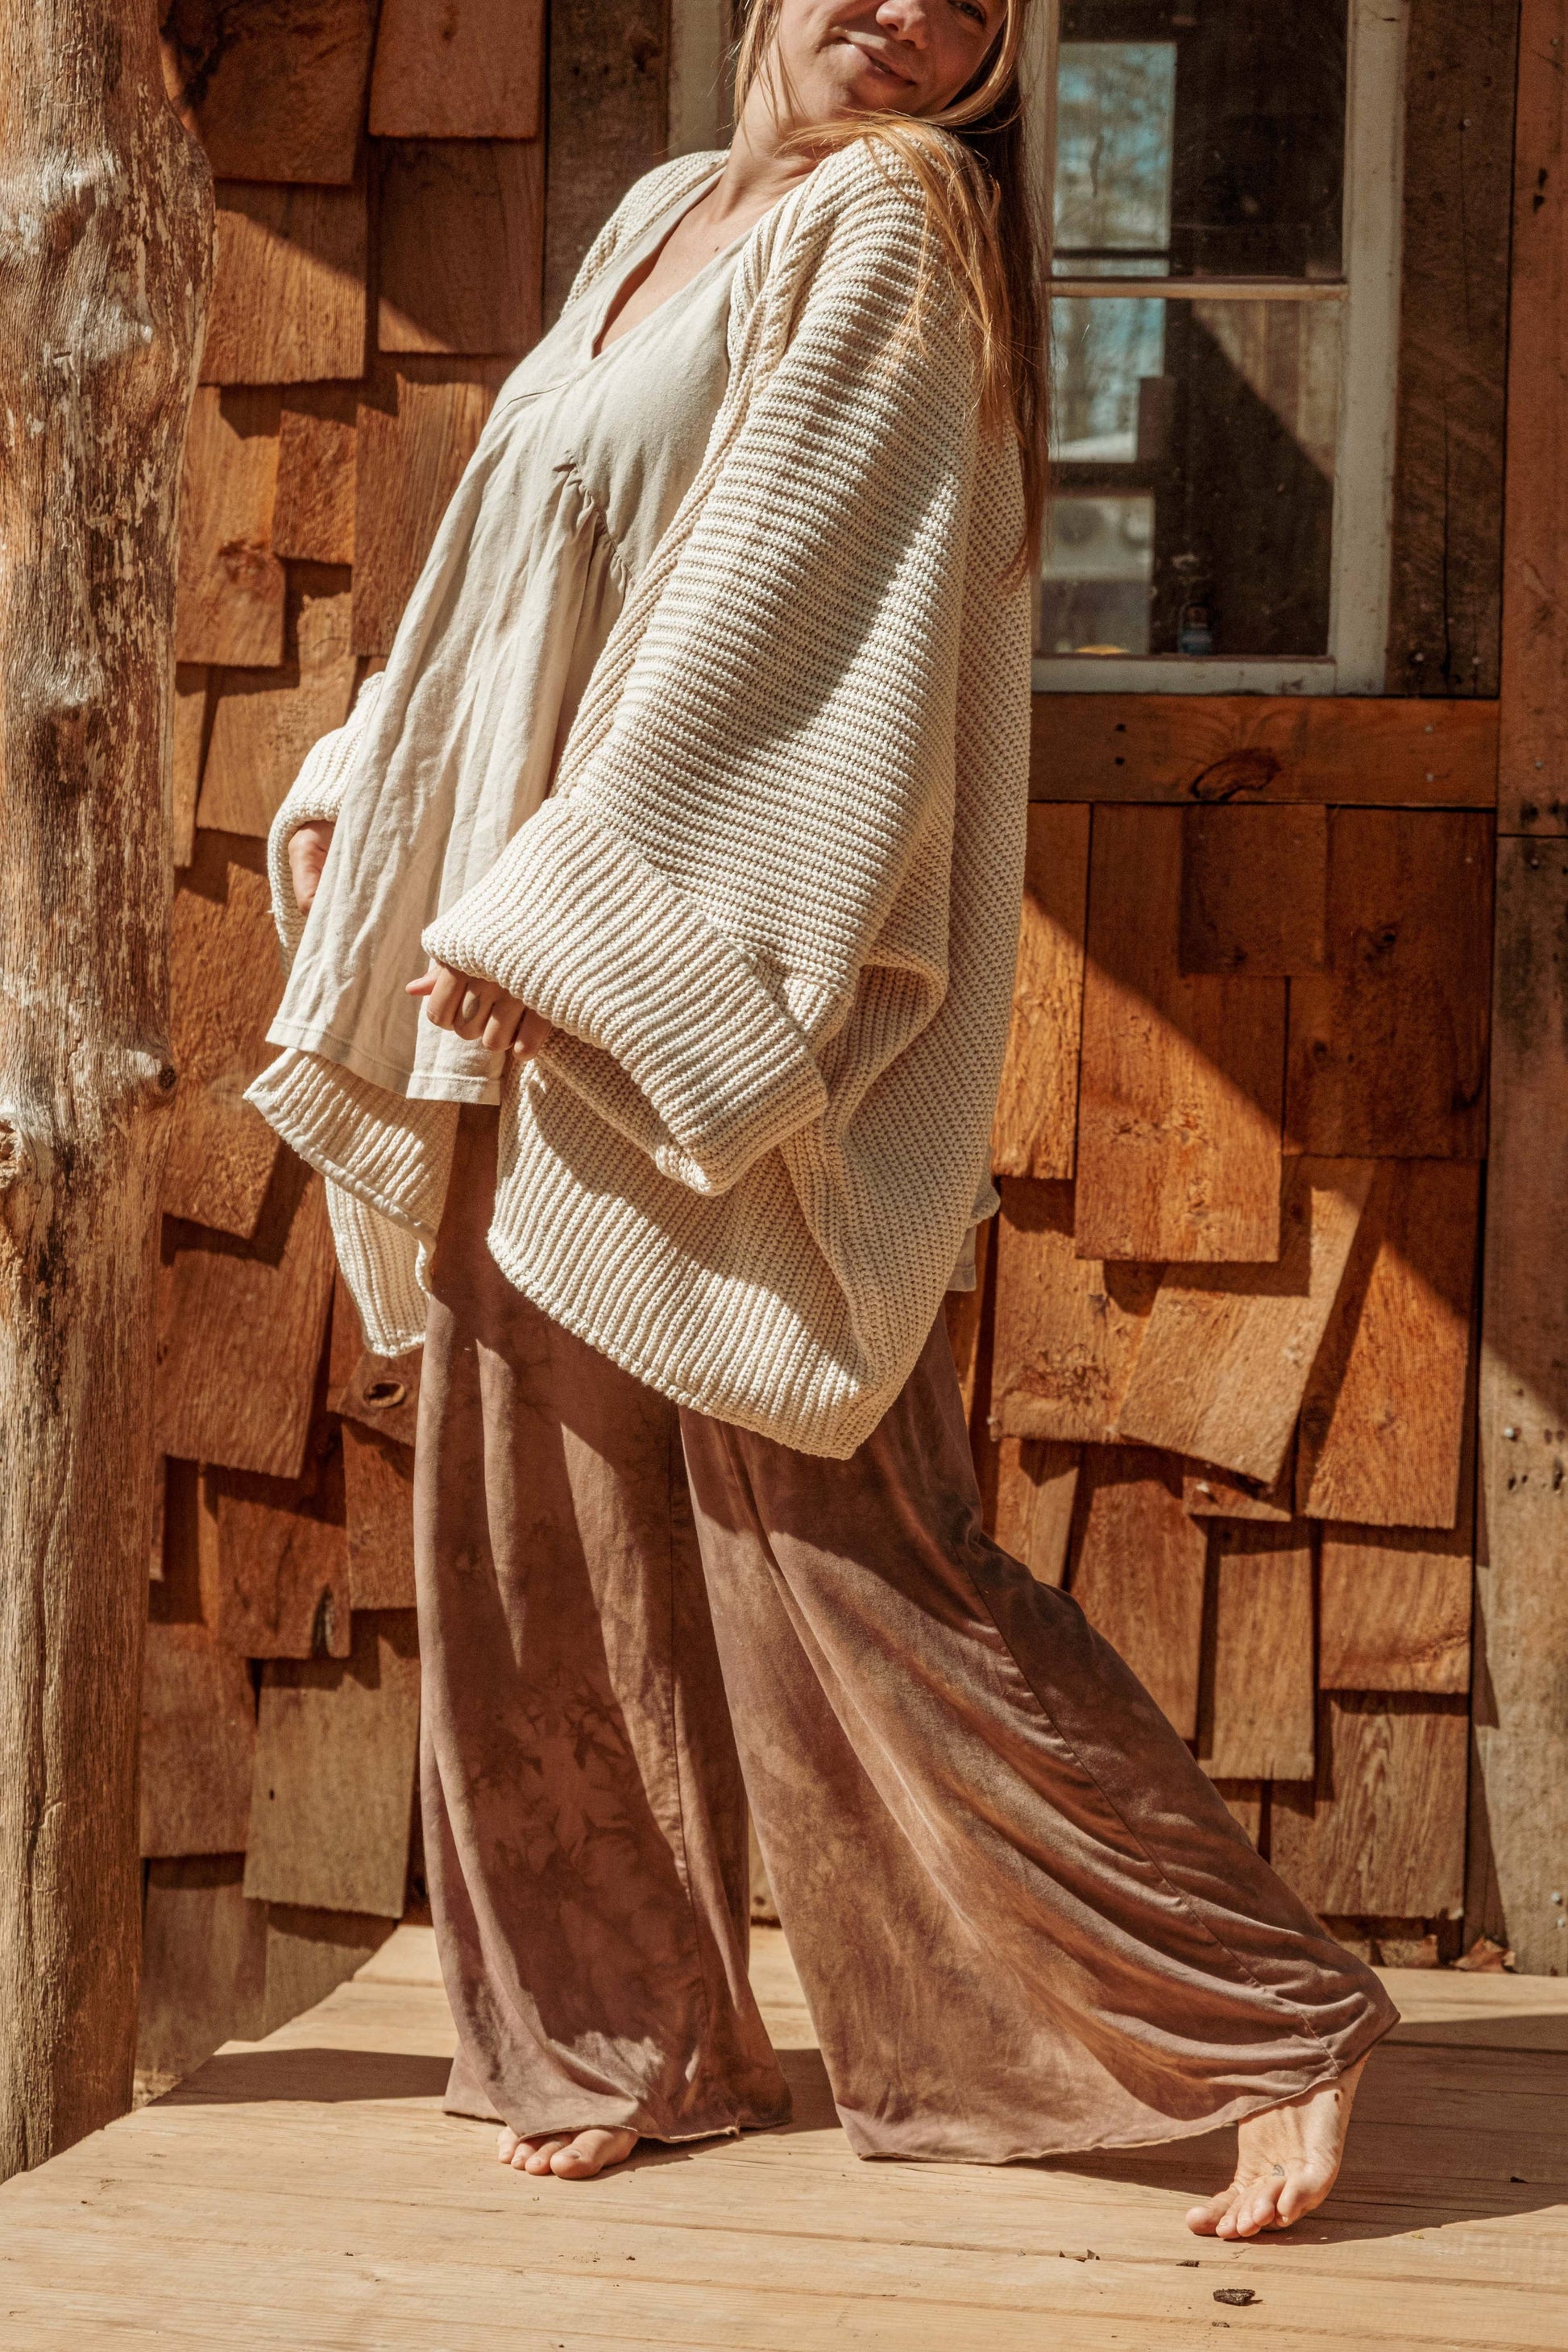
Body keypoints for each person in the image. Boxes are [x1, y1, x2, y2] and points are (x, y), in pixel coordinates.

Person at [250, 0, 1396, 2242]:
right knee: (531, 1524)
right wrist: (366, 782)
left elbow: (780, 620)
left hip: (653, 959)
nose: (904, 8)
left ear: (995, 54)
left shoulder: (896, 224)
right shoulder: (670, 212)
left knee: (847, 1544)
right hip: (500, 934)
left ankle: (1259, 2016)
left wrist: (566, 914)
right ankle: (632, 2035)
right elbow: (526, 556)